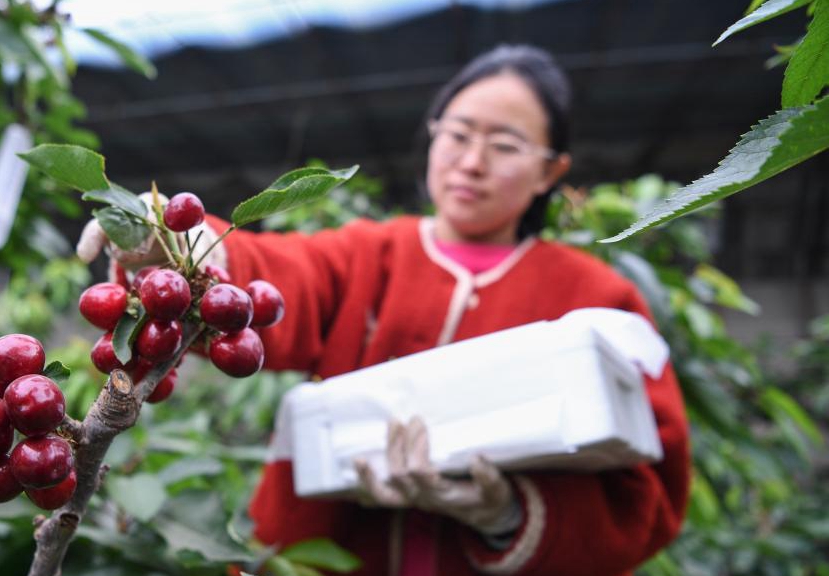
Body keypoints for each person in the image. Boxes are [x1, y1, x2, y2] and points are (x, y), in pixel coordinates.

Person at [78, 44, 690, 576]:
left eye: (505, 145)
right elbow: (287, 279)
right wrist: (183, 249)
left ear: (550, 171)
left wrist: (507, 514)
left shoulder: (598, 296)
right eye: (458, 134)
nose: (472, 162)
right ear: (433, 133)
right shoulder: (372, 254)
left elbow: (650, 496)